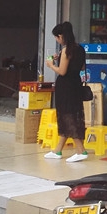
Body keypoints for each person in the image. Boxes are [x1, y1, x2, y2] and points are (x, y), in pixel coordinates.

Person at [44, 22, 89, 163]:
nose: (57, 40)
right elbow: (82, 67)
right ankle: (58, 150)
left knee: (68, 116)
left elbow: (62, 71)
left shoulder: (66, 50)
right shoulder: (80, 49)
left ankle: (81, 150)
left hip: (65, 87)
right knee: (68, 115)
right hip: (76, 84)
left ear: (61, 36)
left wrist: (51, 65)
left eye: (56, 37)